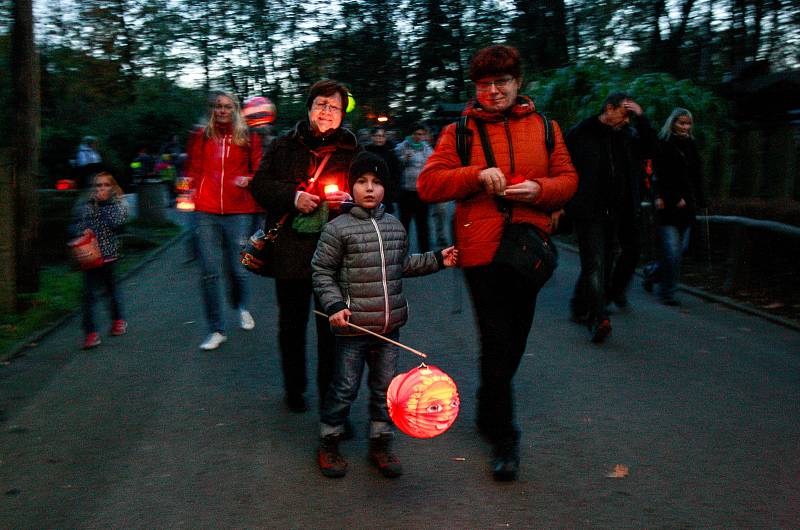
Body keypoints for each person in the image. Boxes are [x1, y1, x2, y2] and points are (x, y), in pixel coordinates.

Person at [417, 44, 578, 481]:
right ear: (476, 88)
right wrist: (475, 175)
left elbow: (568, 181)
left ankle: (489, 409)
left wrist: (539, 191)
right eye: (485, 84)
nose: (493, 91)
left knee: (514, 339)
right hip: (481, 252)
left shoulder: (546, 127)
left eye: (501, 82)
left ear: (517, 82)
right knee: (496, 337)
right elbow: (429, 184)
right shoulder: (460, 132)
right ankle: (505, 438)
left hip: (527, 249)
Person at [311, 151, 458, 479]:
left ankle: (380, 442)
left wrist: (437, 259)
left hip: (388, 329)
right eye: (362, 182)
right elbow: (322, 271)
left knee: (385, 388)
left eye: (376, 183)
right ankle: (329, 441)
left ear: (385, 189)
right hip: (352, 328)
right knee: (345, 386)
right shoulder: (338, 229)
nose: (369, 188)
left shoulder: (394, 226)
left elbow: (402, 264)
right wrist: (335, 306)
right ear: (352, 187)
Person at [251, 79, 360, 414]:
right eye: (321, 104)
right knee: (292, 324)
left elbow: (378, 190)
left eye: (334, 107)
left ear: (343, 113)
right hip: (290, 251)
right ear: (310, 107)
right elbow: (259, 186)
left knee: (335, 329)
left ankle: (332, 399)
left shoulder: (353, 150)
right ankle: (294, 389)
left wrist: (351, 200)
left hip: (335, 253)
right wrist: (293, 197)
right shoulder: (285, 146)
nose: (327, 112)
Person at [564, 92, 656, 343]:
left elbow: (650, 148)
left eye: (629, 117)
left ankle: (580, 305)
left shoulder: (626, 136)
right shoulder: (581, 132)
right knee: (594, 262)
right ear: (609, 108)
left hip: (615, 210)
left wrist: (641, 117)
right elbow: (561, 165)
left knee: (603, 260)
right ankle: (598, 317)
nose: (626, 121)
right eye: (624, 114)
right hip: (587, 209)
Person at [185, 90, 264, 350]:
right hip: (205, 209)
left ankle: (241, 306)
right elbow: (193, 169)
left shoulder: (249, 136)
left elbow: (259, 169)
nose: (222, 111)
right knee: (209, 271)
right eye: (218, 106)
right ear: (211, 109)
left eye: (228, 106)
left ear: (235, 109)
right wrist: (189, 194)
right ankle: (216, 330)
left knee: (237, 267)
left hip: (238, 209)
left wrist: (248, 180)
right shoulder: (200, 135)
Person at [644, 108, 706, 306]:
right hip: (668, 205)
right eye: (681, 123)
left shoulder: (691, 145)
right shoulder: (663, 144)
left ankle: (652, 272)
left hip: (687, 205)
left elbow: (697, 175)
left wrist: (701, 198)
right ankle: (667, 292)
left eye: (688, 123)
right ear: (673, 123)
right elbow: (659, 175)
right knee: (671, 250)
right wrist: (668, 196)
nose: (685, 127)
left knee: (681, 249)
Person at [72, 172, 129, 349]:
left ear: (111, 187)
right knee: (88, 295)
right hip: (90, 257)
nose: (101, 189)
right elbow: (77, 225)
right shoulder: (86, 206)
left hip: (109, 256)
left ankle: (118, 320)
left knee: (110, 291)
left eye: (105, 185)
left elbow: (116, 223)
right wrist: (82, 231)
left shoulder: (116, 204)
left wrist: (101, 206)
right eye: (98, 185)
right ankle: (90, 333)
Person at [395, 123, 433, 252]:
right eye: (416, 134)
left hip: (421, 192)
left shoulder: (427, 149)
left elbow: (432, 166)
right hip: (406, 192)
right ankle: (403, 251)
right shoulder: (402, 147)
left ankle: (425, 252)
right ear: (411, 134)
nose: (419, 137)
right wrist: (404, 159)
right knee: (404, 224)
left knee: (422, 224)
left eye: (421, 134)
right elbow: (395, 166)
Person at [364, 126, 401, 214]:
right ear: (372, 137)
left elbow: (396, 173)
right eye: (377, 136)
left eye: (382, 136)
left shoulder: (391, 153)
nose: (380, 139)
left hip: (386, 192)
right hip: (368, 190)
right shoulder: (365, 152)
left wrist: (393, 191)